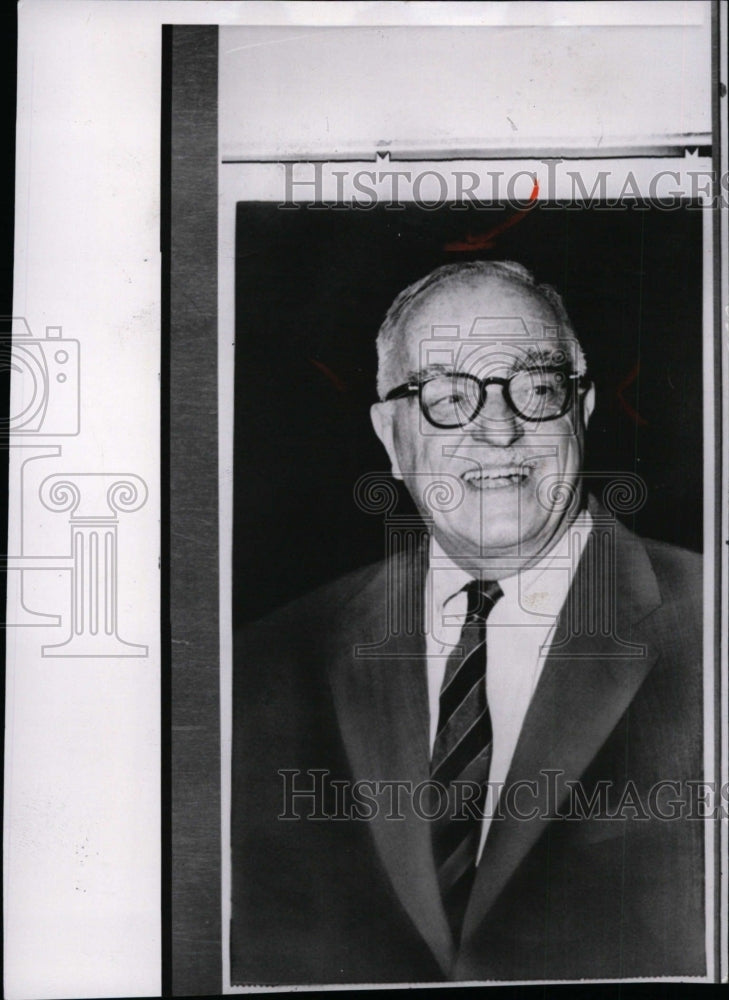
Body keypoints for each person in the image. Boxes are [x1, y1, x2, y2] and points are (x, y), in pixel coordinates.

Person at [231, 260, 705, 985]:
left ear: (580, 412)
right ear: (390, 437)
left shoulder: (716, 626)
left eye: (537, 388)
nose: (498, 429)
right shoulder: (263, 664)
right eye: (447, 396)